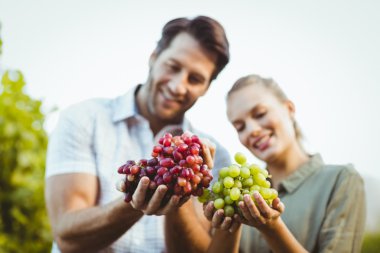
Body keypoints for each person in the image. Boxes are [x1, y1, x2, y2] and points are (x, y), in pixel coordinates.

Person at [45, 16, 232, 253]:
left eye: (195, 79)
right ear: (153, 57)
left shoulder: (214, 158)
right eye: (173, 67)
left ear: (206, 88)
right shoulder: (83, 119)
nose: (177, 86)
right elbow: (67, 238)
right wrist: (135, 202)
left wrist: (180, 189)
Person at [204, 74, 366, 253]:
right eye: (240, 127)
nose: (252, 130)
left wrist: (272, 229)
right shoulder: (239, 195)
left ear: (289, 109)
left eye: (260, 114)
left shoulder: (341, 180)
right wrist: (228, 227)